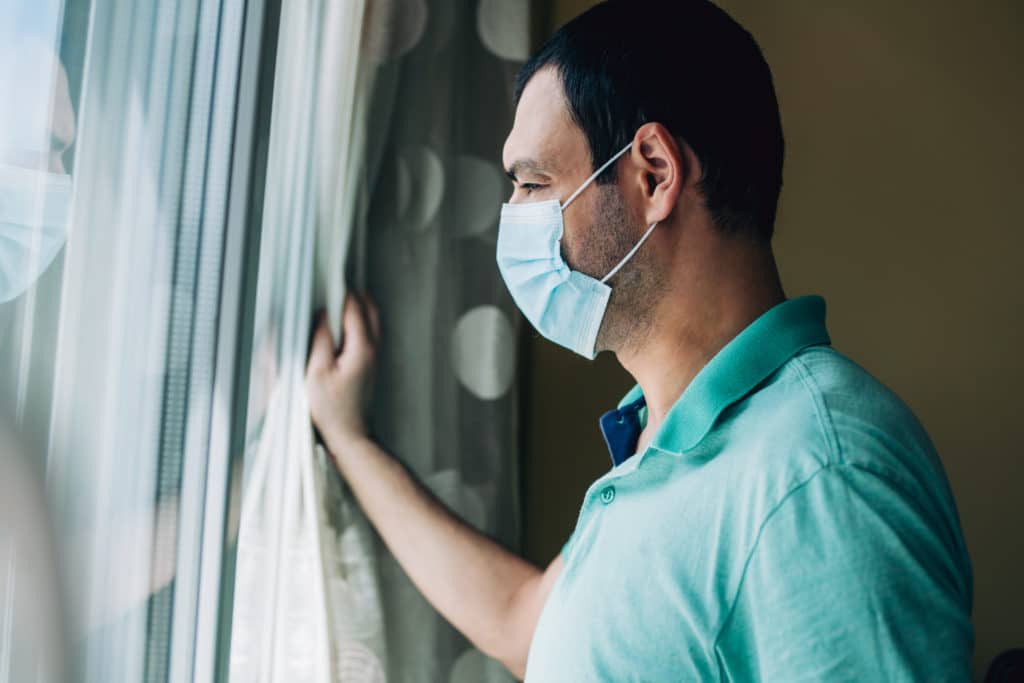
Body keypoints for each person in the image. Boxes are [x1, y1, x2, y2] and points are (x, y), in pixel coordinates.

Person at [306, 0, 974, 680]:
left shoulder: (817, 477)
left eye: (533, 183)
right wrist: (350, 440)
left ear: (653, 172)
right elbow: (526, 620)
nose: (512, 218)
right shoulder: (669, 437)